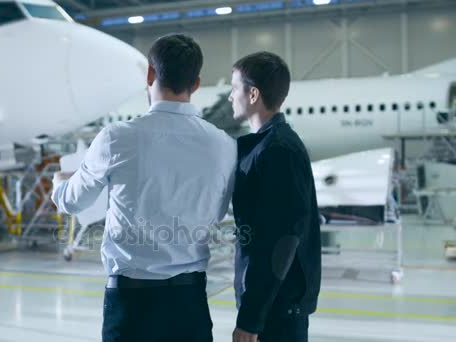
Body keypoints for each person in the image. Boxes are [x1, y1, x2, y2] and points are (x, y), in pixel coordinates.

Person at [52, 34, 237, 342]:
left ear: (150, 74)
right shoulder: (223, 145)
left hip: (131, 303)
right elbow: (217, 211)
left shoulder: (117, 138)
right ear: (196, 83)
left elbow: (72, 202)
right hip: (189, 303)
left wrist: (59, 184)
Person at [228, 52, 321, 342]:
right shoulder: (266, 146)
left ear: (253, 94)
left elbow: (279, 242)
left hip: (276, 312)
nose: (231, 97)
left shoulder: (277, 150)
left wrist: (251, 319)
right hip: (274, 305)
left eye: (234, 88)